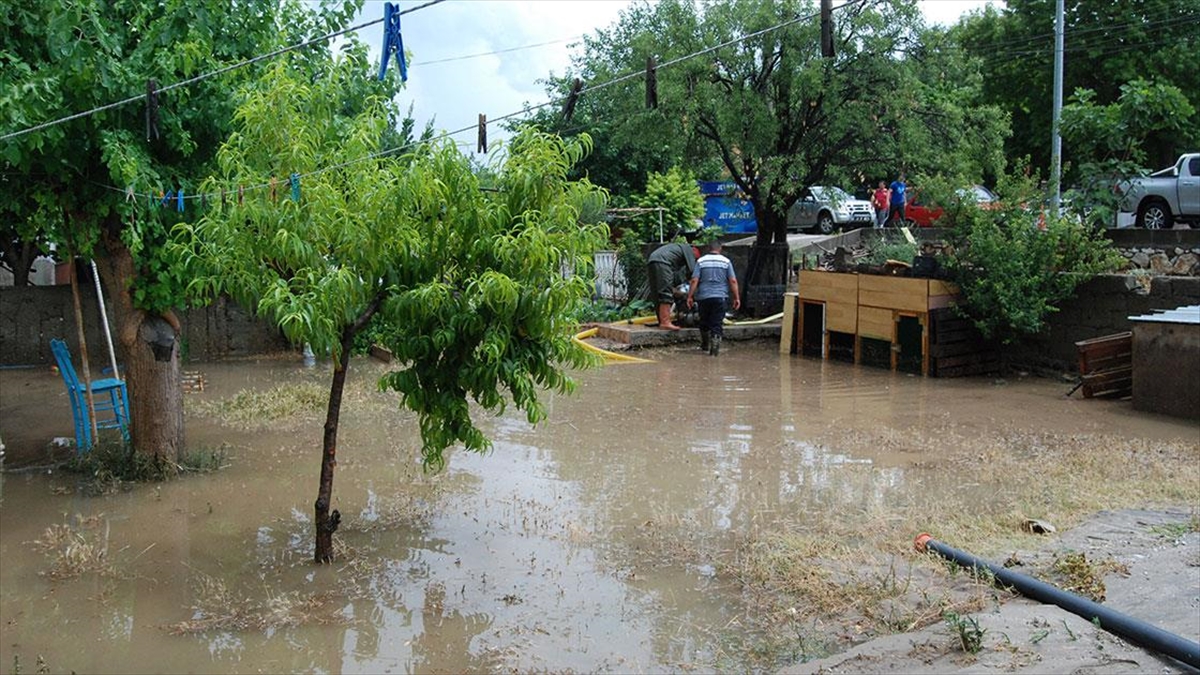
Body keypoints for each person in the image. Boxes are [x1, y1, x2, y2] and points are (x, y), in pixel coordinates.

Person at [686, 241, 740, 356]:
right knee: (716, 323)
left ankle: (705, 345)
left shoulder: (701, 261)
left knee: (704, 321)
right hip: (720, 297)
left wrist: (690, 296)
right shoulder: (726, 262)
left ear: (708, 249)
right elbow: (733, 280)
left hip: (703, 297)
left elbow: (694, 280)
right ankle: (714, 350)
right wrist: (736, 297)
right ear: (720, 249)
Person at [646, 242, 698, 331]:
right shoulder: (690, 250)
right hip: (663, 262)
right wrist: (692, 294)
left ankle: (661, 320)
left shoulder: (677, 248)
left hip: (652, 260)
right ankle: (665, 322)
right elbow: (692, 273)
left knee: (657, 292)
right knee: (666, 292)